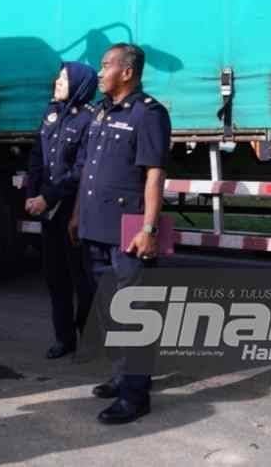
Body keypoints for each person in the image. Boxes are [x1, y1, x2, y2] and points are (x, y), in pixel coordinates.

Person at [69, 42, 171, 424]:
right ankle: (121, 375)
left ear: (127, 72)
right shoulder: (100, 114)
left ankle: (135, 394)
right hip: (96, 226)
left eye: (105, 65)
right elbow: (89, 172)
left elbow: (154, 175)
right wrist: (77, 214)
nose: (99, 72)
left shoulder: (148, 114)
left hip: (128, 229)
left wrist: (149, 227)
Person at [24, 62, 98, 359]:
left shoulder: (89, 120)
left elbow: (82, 169)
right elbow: (36, 157)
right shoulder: (51, 113)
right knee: (55, 277)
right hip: (48, 210)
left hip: (73, 209)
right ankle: (63, 338)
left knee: (84, 279)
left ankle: (89, 336)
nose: (57, 81)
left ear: (80, 83)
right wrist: (33, 195)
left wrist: (49, 197)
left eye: (64, 77)